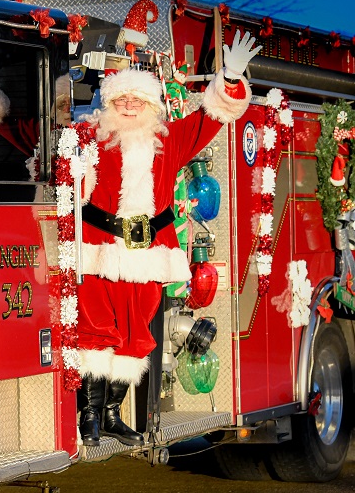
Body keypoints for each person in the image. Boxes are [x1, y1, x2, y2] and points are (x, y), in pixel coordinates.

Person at [75, 31, 261, 447]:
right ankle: (89, 413)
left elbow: (210, 118)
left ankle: (111, 414)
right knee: (95, 328)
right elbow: (39, 139)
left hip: (148, 253)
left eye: (136, 101)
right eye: (121, 99)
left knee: (136, 331)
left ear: (151, 105)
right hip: (99, 250)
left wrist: (229, 78)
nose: (128, 106)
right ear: (108, 101)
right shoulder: (88, 136)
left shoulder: (169, 140)